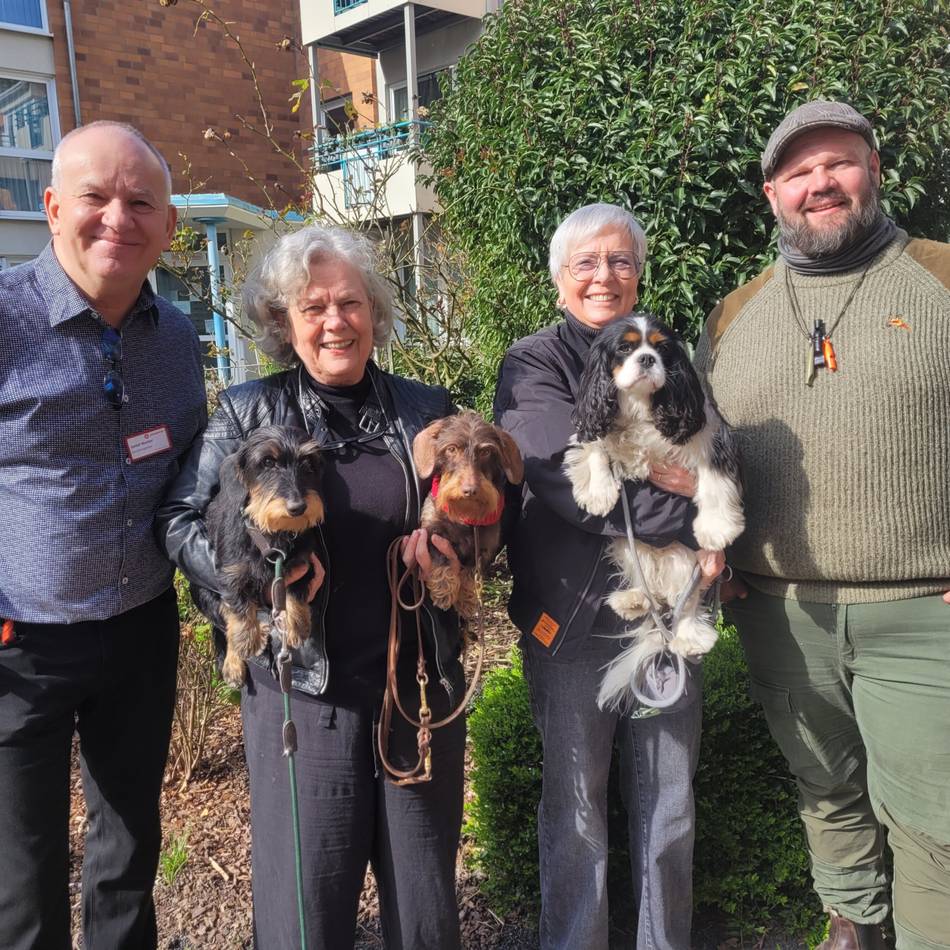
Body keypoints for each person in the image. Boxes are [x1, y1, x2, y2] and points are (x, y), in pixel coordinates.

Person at [157, 224, 466, 949]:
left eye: (350, 303)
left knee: (424, 906)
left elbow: (473, 516)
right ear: (282, 322)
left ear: (375, 313)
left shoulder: (426, 409)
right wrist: (263, 585)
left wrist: (449, 556)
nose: (336, 322)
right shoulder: (246, 412)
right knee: (306, 907)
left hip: (411, 685)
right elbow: (177, 520)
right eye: (314, 306)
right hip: (302, 686)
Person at [695, 100, 950, 950]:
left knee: (933, 821)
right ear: (772, 193)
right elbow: (701, 453)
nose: (820, 184)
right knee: (825, 790)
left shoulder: (941, 277)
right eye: (799, 172)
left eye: (837, 163)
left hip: (923, 611)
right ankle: (853, 927)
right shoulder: (734, 316)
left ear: (872, 169)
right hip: (779, 612)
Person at [494, 202, 724, 950]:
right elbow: (566, 480)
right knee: (577, 812)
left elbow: (725, 454)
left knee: (669, 806)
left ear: (640, 273)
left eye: (620, 260)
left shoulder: (668, 350)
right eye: (586, 263)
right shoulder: (534, 364)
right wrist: (691, 505)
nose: (604, 276)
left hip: (668, 618)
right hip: (573, 624)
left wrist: (706, 485)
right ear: (560, 280)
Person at [0, 121, 206, 949]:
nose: (116, 218)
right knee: (25, 869)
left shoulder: (181, 337)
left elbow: (192, 463)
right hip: (23, 642)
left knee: (128, 850)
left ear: (168, 227)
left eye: (140, 202)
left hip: (140, 632)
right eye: (95, 197)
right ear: (53, 208)